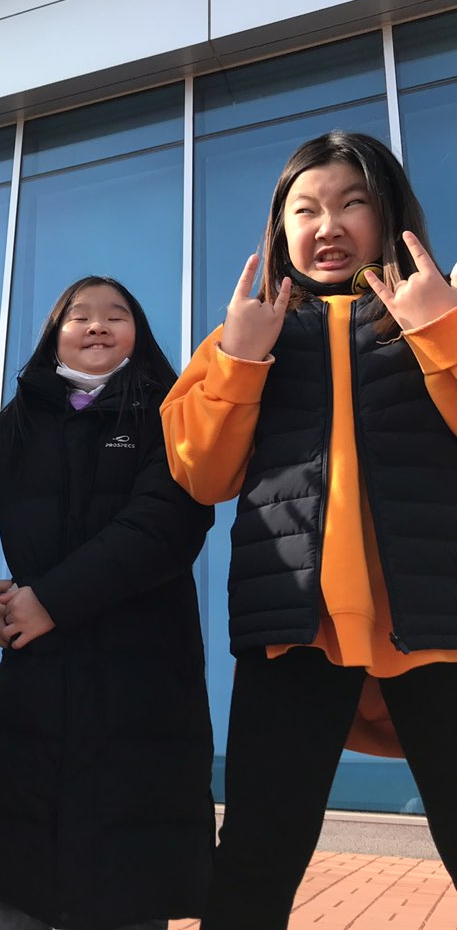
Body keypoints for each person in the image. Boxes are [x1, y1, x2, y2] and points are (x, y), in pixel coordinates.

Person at [160, 131, 457, 930]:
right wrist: (239, 358)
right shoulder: (243, 335)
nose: (326, 226)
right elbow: (199, 473)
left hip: (437, 627)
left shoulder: (438, 311)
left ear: (389, 214)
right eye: (305, 209)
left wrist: (438, 329)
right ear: (279, 229)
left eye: (351, 203)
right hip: (292, 631)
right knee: (255, 858)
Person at [0, 276, 215, 930]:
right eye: (78, 315)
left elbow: (164, 525)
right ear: (54, 335)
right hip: (36, 681)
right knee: (20, 884)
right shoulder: (18, 423)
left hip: (144, 679)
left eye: (116, 314)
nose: (97, 324)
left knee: (129, 887)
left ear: (139, 336)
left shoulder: (170, 416)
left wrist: (51, 600)